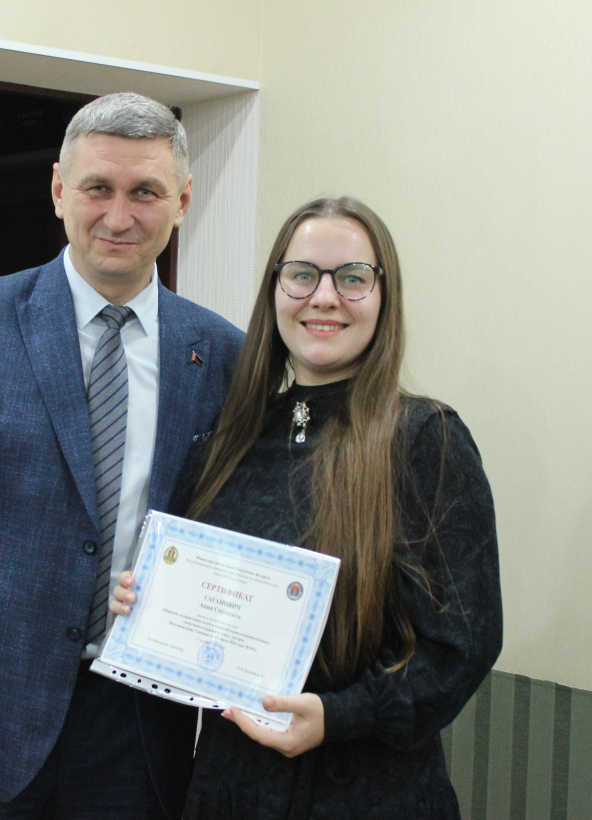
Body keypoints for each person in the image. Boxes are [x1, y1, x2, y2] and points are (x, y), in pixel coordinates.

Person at [0, 92, 244, 820]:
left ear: (183, 201)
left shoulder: (222, 352)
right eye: (98, 187)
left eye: (145, 192)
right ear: (60, 190)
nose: (119, 216)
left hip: (137, 732)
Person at [112, 197, 502, 818]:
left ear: (383, 296)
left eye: (352, 278)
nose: (324, 297)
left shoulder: (424, 439)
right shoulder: (229, 440)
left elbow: (462, 646)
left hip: (367, 793)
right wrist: (146, 603)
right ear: (275, 290)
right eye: (302, 275)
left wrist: (339, 716)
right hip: (227, 788)